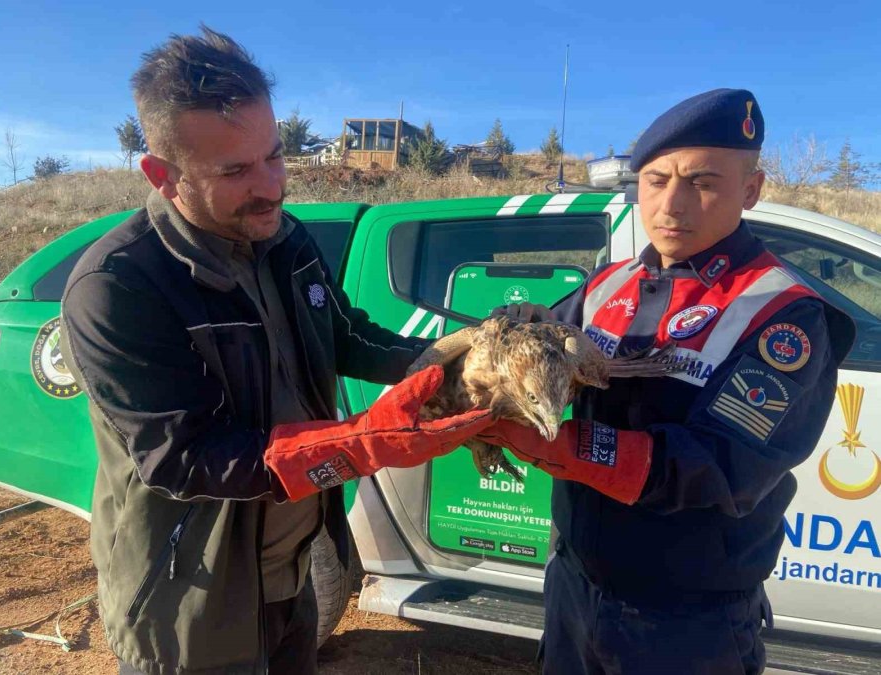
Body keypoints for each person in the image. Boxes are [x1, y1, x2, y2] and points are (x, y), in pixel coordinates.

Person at [60, 26, 492, 675]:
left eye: (275, 155)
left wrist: (449, 358)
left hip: (293, 575)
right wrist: (363, 440)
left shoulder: (285, 239)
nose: (272, 185)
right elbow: (184, 457)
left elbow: (345, 332)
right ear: (162, 174)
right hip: (192, 599)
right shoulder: (119, 285)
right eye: (235, 170)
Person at [482, 89, 856, 674]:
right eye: (655, 182)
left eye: (702, 182)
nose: (671, 206)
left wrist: (564, 447)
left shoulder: (782, 312)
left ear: (750, 191)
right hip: (574, 593)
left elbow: (722, 466)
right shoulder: (608, 286)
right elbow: (521, 362)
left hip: (685, 625)